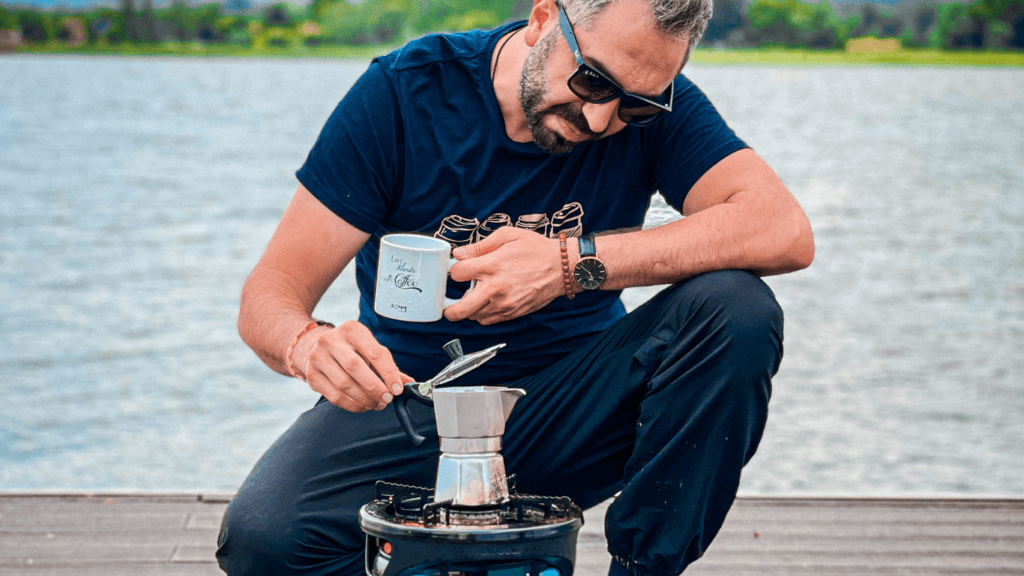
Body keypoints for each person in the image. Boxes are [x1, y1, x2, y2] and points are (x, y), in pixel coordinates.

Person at [216, 0, 814, 573]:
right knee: (263, 540)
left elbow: (782, 228)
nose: (603, 119)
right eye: (593, 81)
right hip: (410, 404)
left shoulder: (653, 104)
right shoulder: (404, 93)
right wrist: (307, 345)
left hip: (575, 409)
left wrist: (569, 263)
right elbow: (269, 293)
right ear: (543, 18)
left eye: (635, 105)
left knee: (738, 309)